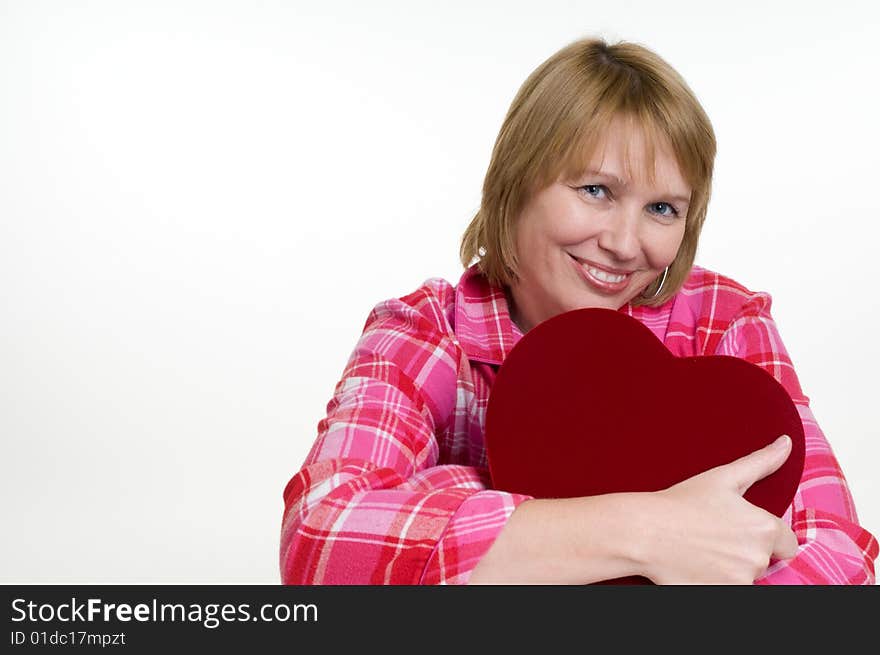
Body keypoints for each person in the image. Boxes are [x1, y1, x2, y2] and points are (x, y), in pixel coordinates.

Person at [279, 37, 878, 584]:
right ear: (517, 182)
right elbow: (322, 541)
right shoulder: (427, 330)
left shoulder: (722, 319)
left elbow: (839, 555)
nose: (624, 242)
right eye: (596, 191)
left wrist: (476, 523)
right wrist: (648, 531)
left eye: (663, 209)